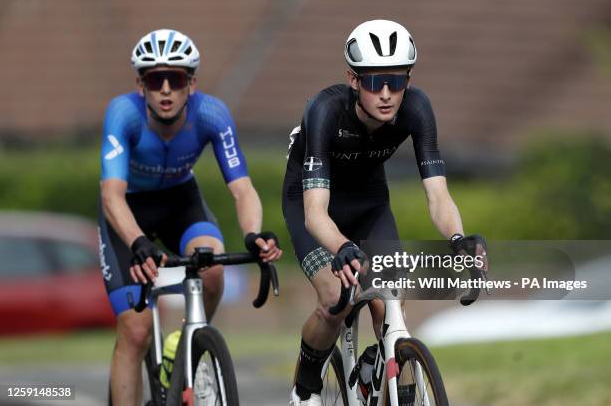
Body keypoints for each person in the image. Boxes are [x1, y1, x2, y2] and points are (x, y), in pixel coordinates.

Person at [282, 20, 487, 405]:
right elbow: (314, 213)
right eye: (375, 82)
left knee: (392, 294)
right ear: (353, 80)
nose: (387, 93)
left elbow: (438, 196)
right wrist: (342, 246)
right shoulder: (324, 110)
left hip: (369, 203)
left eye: (397, 80)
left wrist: (458, 239)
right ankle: (306, 385)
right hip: (312, 202)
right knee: (333, 300)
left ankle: (380, 371)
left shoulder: (417, 107)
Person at [98, 29, 282, 405]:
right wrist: (137, 243)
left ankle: (185, 347)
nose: (165, 89)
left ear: (191, 84)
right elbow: (111, 194)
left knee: (212, 268)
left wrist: (252, 234)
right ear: (141, 85)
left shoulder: (213, 115)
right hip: (127, 212)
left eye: (176, 79)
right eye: (155, 79)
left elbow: (242, 188)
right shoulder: (123, 114)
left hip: (179, 201)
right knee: (135, 329)